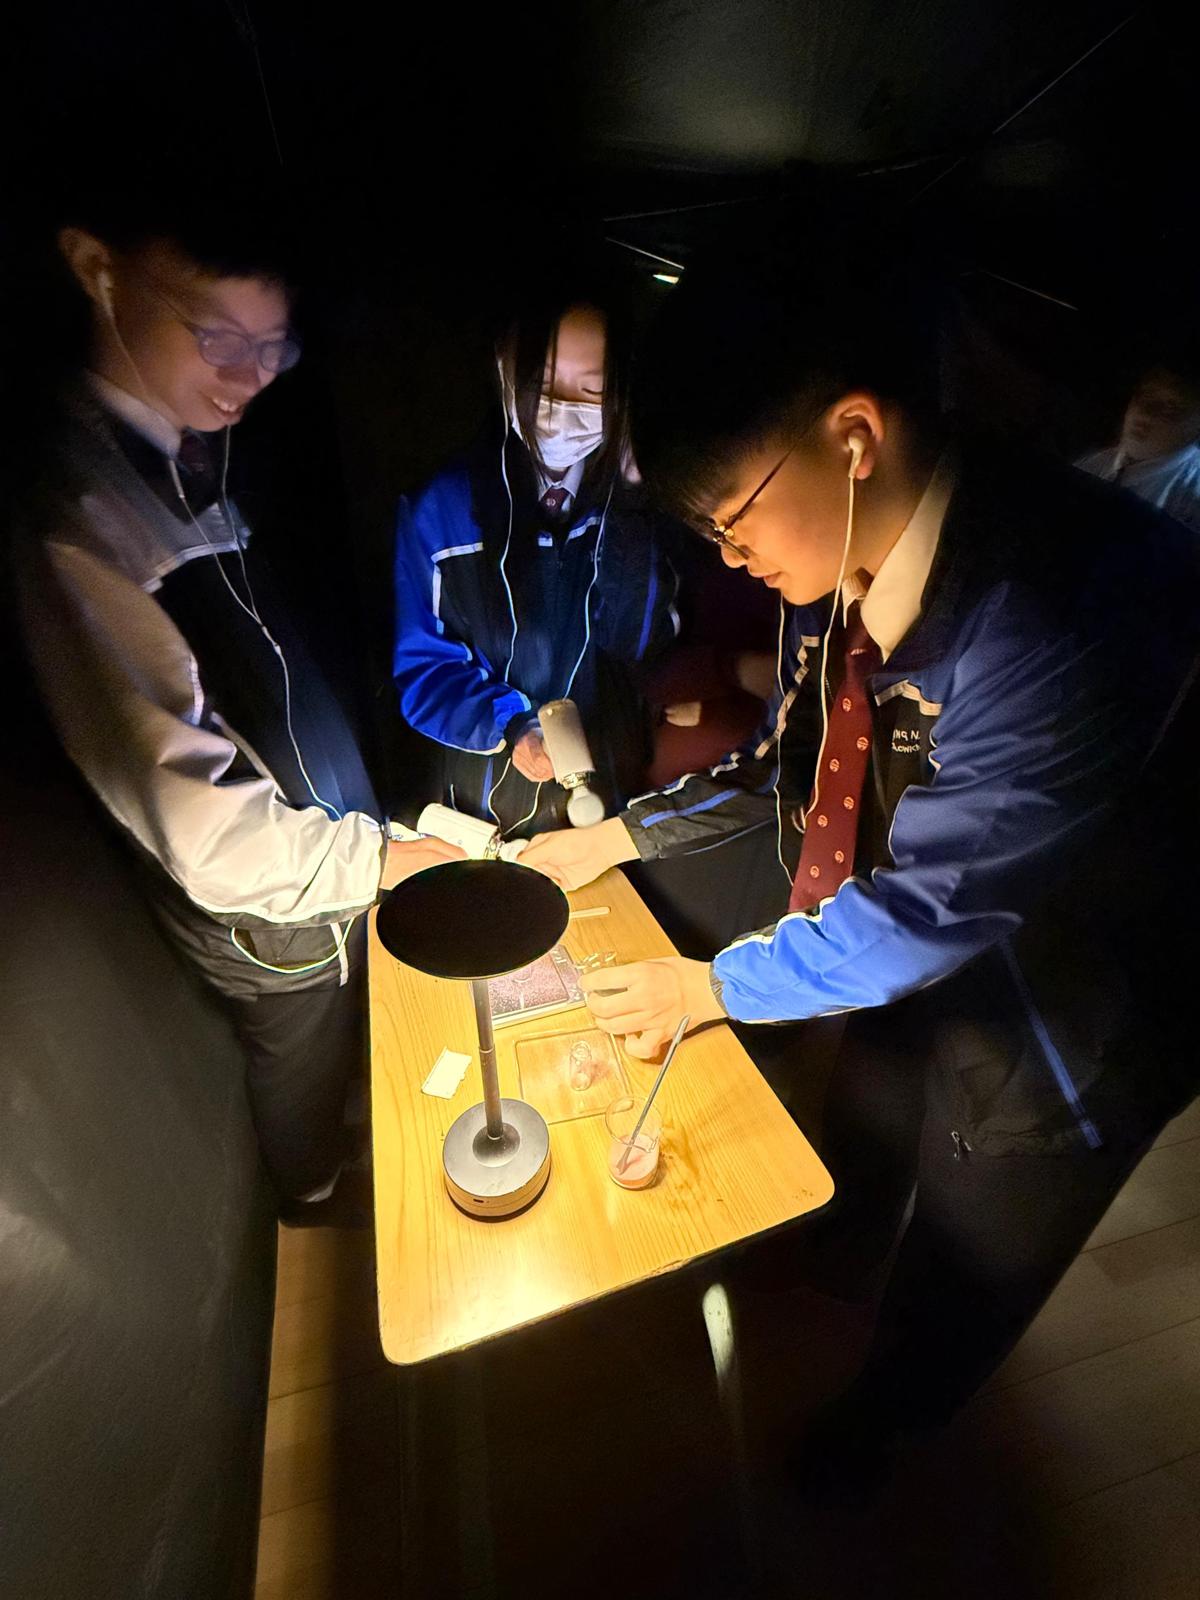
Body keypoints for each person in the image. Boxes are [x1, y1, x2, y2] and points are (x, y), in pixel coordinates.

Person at [521, 247, 1200, 1473]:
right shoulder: (834, 555)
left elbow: (925, 917)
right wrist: (616, 835)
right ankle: (836, 1255)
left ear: (852, 436)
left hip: (1091, 988)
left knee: (983, 1203)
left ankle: (884, 1430)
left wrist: (711, 983)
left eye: (731, 521)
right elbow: (788, 766)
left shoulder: (1051, 616)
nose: (731, 559)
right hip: (932, 905)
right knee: (879, 1090)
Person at [13, 183, 462, 1209]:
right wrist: (372, 857)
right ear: (95, 266)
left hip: (324, 856)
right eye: (218, 336)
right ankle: (315, 1202)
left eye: (272, 348)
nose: (248, 378)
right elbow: (198, 828)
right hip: (269, 911)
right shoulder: (79, 518)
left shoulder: (192, 445)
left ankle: (343, 1157)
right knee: (300, 1069)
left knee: (350, 1044)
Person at [392, 261, 679, 838]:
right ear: (504, 367)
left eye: (592, 391)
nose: (564, 410)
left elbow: (641, 646)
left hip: (608, 785)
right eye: (544, 386)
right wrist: (511, 723)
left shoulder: (634, 504)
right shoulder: (442, 508)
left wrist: (632, 503)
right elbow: (424, 669)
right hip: (485, 791)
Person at [1077, 351, 1200, 533]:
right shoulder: (1095, 463)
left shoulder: (1192, 499)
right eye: (1144, 396)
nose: (1145, 412)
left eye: (1170, 408)